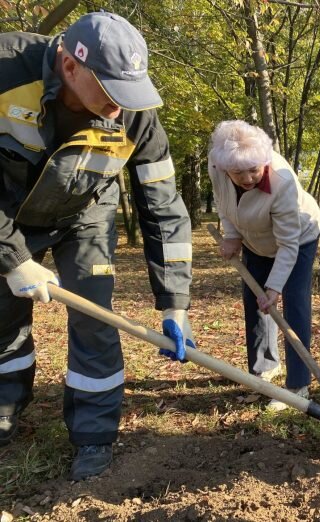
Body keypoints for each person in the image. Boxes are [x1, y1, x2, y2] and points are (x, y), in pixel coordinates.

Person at [0, 12, 195, 480]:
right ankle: (5, 402)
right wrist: (13, 256)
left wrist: (175, 303)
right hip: (7, 210)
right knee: (3, 312)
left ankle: (93, 434)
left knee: (94, 314)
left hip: (84, 212)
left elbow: (163, 203)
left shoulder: (135, 110)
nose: (120, 107)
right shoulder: (7, 71)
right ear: (70, 66)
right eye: (110, 91)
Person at [208, 120, 320, 411]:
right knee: (254, 302)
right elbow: (223, 203)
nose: (247, 178)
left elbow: (288, 245)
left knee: (294, 305)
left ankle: (297, 386)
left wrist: (275, 287)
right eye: (238, 172)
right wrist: (231, 236)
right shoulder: (218, 166)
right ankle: (263, 368)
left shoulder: (282, 184)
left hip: (298, 239)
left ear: (264, 161)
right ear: (225, 167)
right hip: (254, 240)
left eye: (253, 170)